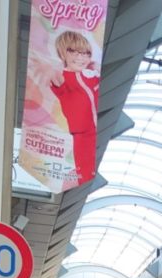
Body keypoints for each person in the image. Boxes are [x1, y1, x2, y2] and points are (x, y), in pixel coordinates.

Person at [49, 30, 99, 185]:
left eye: (85, 53)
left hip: (95, 133)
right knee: (85, 174)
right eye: (74, 52)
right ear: (63, 53)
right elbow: (52, 76)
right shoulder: (62, 79)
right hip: (82, 135)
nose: (81, 57)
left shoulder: (91, 77)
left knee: (89, 172)